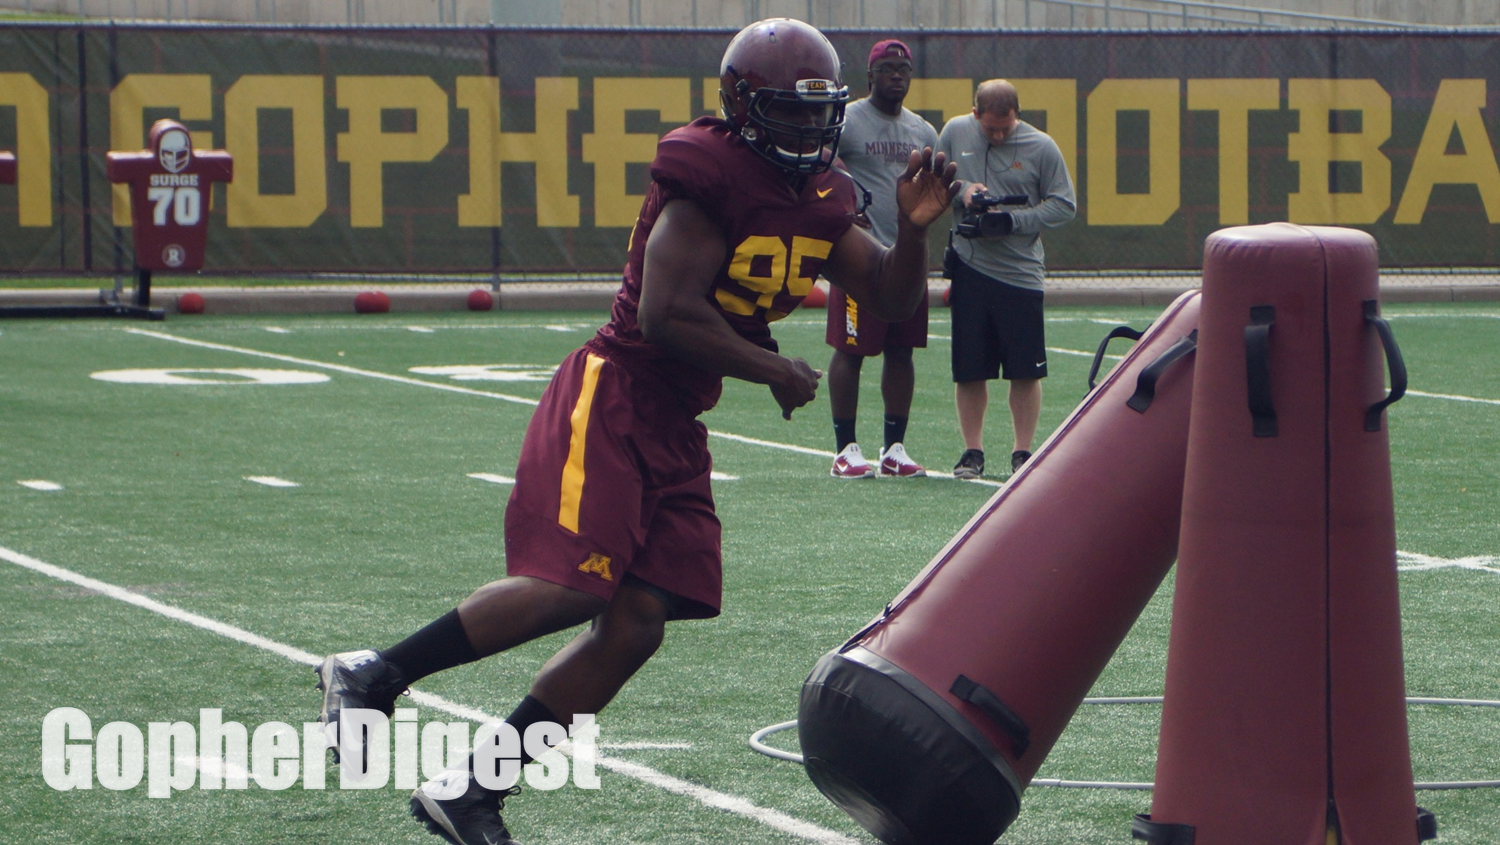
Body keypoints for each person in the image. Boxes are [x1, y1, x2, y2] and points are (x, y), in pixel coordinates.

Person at [314, 18, 956, 845]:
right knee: (578, 584)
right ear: (741, 105)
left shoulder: (825, 196)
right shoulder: (707, 174)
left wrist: (913, 229)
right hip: (614, 394)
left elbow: (893, 299)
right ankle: (376, 670)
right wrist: (776, 369)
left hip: (677, 417)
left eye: (816, 113)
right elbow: (663, 316)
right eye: (787, 113)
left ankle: (473, 788)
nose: (805, 130)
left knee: (638, 620)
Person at [935, 79, 1076, 480]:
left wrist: (1013, 220)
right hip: (969, 265)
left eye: (1005, 128)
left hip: (1020, 273)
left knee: (1025, 369)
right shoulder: (955, 131)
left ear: (1018, 116)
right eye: (990, 128)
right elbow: (935, 181)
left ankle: (1022, 451)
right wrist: (963, 192)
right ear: (975, 114)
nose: (997, 135)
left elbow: (1064, 205)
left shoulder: (1041, 147)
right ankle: (972, 451)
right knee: (970, 368)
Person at [824, 38, 940, 480]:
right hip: (861, 257)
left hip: (907, 256)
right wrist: (845, 211)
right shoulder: (848, 119)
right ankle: (844, 448)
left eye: (903, 69)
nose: (896, 76)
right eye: (887, 68)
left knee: (901, 350)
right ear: (870, 75)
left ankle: (894, 448)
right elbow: (824, 164)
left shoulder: (922, 131)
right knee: (850, 350)